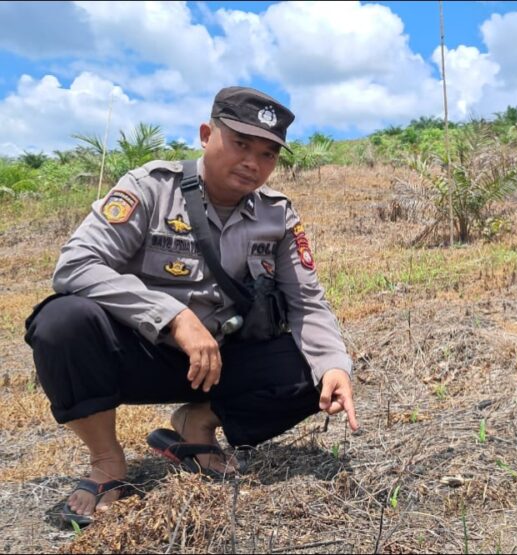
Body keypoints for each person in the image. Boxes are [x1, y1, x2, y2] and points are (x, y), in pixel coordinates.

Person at [24, 86, 359, 527]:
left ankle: (195, 425)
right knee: (61, 321)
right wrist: (172, 317)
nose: (253, 163)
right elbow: (76, 265)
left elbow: (307, 305)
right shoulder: (149, 189)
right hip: (142, 352)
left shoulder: (277, 215)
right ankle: (107, 461)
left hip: (222, 360)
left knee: (316, 366)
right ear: (206, 134)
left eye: (268, 154)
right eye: (240, 144)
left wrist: (335, 366)